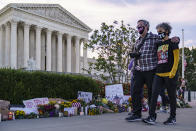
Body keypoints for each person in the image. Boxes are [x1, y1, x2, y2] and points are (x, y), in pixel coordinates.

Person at [125, 20, 179, 122]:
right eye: (138, 27)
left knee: (152, 93)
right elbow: (137, 52)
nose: (139, 28)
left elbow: (168, 41)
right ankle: (137, 114)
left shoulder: (155, 37)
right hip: (139, 69)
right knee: (135, 91)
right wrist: (134, 56)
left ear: (147, 27)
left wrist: (177, 39)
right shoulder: (137, 41)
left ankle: (157, 115)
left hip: (151, 70)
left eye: (141, 26)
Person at [143, 22, 180, 125]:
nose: (159, 34)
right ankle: (151, 117)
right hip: (159, 74)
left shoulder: (173, 42)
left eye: (161, 31)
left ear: (167, 31)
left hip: (170, 74)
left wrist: (173, 72)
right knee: (154, 94)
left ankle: (172, 118)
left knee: (172, 96)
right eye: (158, 32)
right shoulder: (158, 43)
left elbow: (177, 58)